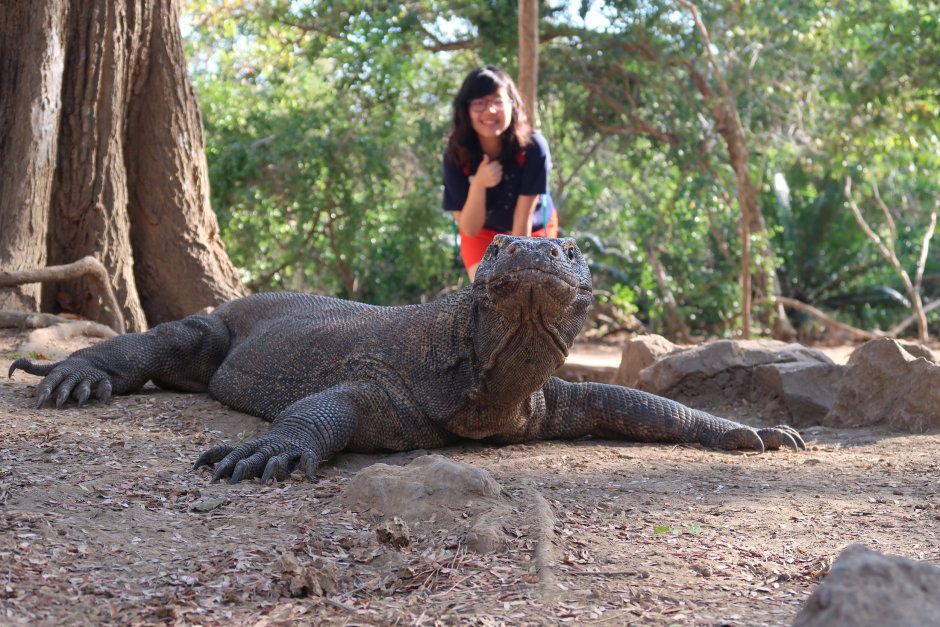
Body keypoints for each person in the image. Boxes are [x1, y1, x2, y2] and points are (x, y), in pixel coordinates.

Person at [442, 66, 558, 281]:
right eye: (479, 103)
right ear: (465, 109)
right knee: (488, 291)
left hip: (532, 229)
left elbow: (522, 220)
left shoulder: (533, 148)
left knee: (528, 286)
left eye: (497, 101)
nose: (490, 110)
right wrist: (479, 184)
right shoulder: (455, 155)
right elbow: (469, 228)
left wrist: (517, 273)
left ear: (511, 104)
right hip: (482, 232)